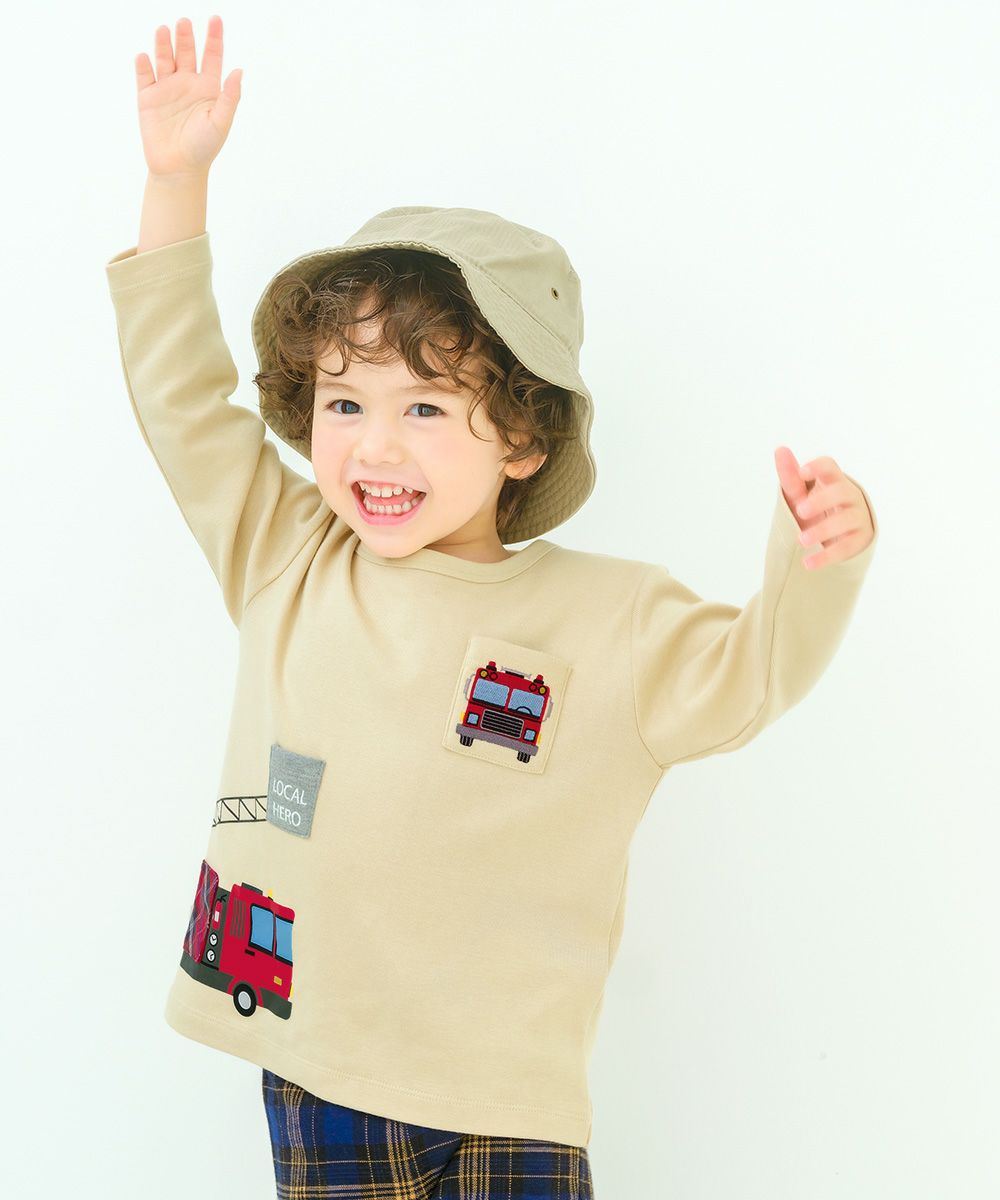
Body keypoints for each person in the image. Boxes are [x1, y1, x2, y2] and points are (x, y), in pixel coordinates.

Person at [105, 16, 878, 1200]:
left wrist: (815, 560)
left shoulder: (606, 616)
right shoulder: (287, 551)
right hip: (321, 1067)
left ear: (521, 436)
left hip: (510, 1096)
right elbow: (179, 397)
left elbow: (750, 676)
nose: (373, 445)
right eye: (344, 403)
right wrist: (177, 184)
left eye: (423, 409)